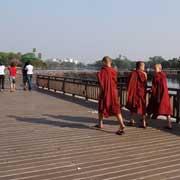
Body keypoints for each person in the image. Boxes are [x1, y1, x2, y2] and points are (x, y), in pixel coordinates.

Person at [96, 56, 126, 135]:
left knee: (101, 107)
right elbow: (114, 82)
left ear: (104, 62)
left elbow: (102, 84)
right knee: (116, 109)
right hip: (113, 92)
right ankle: (121, 124)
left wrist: (100, 93)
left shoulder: (102, 71)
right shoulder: (113, 71)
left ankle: (100, 124)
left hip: (105, 92)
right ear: (111, 62)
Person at [147, 64, 172, 129]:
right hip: (163, 94)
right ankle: (145, 121)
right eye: (154, 68)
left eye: (155, 68)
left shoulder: (157, 76)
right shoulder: (163, 75)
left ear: (160, 69)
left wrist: (152, 90)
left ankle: (145, 122)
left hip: (159, 95)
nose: (154, 70)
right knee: (165, 110)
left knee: (151, 108)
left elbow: (155, 86)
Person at [126, 61, 147, 128]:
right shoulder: (144, 74)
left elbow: (129, 83)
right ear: (140, 66)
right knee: (143, 107)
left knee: (132, 106)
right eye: (143, 66)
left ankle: (131, 120)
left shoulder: (132, 73)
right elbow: (145, 84)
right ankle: (143, 123)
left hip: (134, 93)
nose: (144, 67)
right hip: (141, 93)